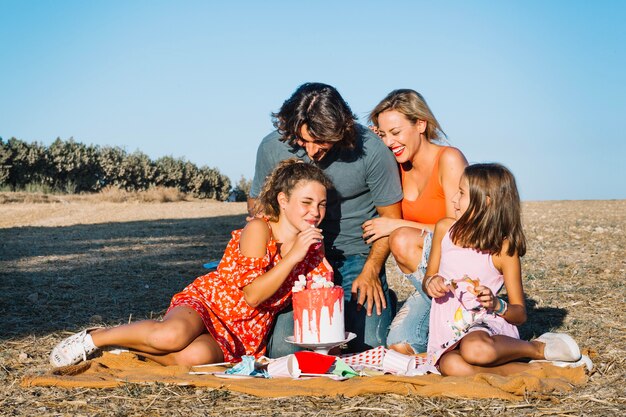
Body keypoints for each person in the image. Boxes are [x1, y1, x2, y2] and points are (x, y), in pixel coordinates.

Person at [50, 159, 334, 367]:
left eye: (321, 204)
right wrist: (294, 255)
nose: (315, 212)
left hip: (245, 330)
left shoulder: (313, 246)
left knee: (195, 358)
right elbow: (252, 295)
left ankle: (125, 349)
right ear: (283, 200)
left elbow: (314, 296)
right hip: (211, 304)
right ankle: (95, 338)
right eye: (306, 202)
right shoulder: (259, 229)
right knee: (172, 336)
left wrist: (323, 281)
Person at [248, 82, 403, 355]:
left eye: (321, 142)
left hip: (356, 256)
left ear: (342, 129)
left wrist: (372, 270)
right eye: (302, 140)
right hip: (296, 259)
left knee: (369, 350)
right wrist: (285, 255)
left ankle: (381, 300)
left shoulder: (373, 150)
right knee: (286, 355)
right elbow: (258, 208)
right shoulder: (271, 146)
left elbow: (390, 221)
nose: (310, 151)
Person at [423, 163, 581, 376]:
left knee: (474, 349)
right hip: (448, 333)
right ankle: (538, 370)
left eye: (461, 193)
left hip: (485, 327)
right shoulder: (444, 230)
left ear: (485, 202)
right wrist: (431, 283)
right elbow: (428, 279)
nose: (453, 200)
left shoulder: (502, 250)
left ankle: (537, 349)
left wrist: (497, 304)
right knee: (450, 366)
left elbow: (519, 314)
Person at [363, 89, 468, 355]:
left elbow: (461, 230)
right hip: (429, 282)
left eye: (396, 132)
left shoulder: (449, 159)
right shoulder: (394, 165)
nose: (389, 142)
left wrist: (395, 225)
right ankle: (456, 323)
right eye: (383, 135)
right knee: (399, 346)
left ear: (420, 124)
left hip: (458, 268)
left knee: (402, 238)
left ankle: (469, 310)